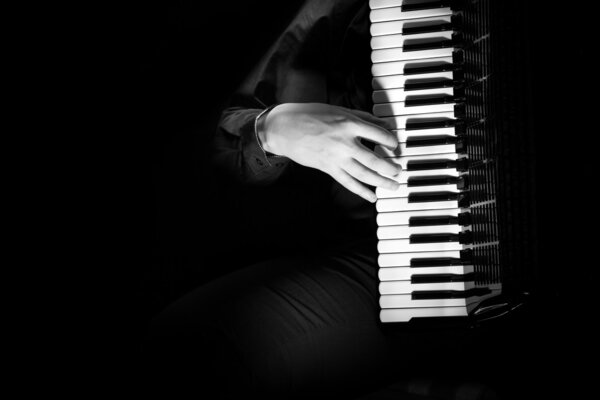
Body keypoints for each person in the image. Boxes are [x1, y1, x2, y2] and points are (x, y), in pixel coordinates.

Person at [143, 1, 485, 398]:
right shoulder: (332, 11)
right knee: (194, 349)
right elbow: (212, 137)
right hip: (406, 248)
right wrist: (274, 129)